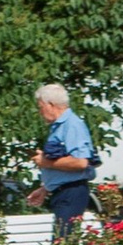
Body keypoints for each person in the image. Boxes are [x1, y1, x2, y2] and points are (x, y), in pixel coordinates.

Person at [31, 82, 97, 225]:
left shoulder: (72, 125)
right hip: (64, 193)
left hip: (71, 193)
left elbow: (81, 162)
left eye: (41, 107)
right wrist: (45, 189)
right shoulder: (60, 126)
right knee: (62, 242)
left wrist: (45, 162)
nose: (40, 112)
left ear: (51, 105)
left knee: (63, 242)